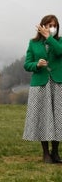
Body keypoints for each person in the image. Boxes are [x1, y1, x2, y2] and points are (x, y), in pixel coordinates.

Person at [23, 14, 62, 163]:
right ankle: (45, 153)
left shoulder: (59, 41)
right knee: (43, 117)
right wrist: (37, 65)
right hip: (40, 83)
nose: (52, 28)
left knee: (58, 117)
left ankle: (55, 152)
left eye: (54, 25)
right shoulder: (33, 43)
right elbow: (27, 64)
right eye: (49, 25)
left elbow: (59, 51)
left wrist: (49, 38)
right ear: (42, 26)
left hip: (58, 83)